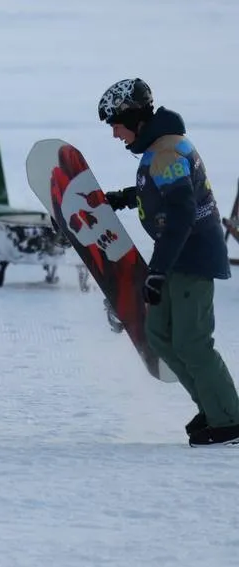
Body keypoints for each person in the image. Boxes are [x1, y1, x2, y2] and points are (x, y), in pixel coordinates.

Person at [97, 77, 239, 447]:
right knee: (160, 335)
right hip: (175, 256)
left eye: (115, 123)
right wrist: (125, 198)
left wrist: (157, 272)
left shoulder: (166, 154)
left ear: (134, 118)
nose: (114, 134)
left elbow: (180, 212)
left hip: (191, 258)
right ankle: (213, 407)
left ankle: (230, 420)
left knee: (192, 342)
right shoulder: (160, 150)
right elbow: (158, 191)